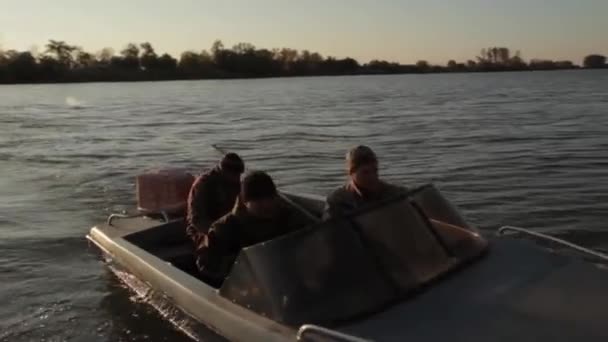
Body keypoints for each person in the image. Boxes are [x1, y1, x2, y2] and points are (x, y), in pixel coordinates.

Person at [196, 171, 312, 287]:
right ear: (245, 202)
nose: (266, 204)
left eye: (270, 198)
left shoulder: (289, 217)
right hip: (246, 290)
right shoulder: (224, 228)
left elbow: (310, 238)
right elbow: (206, 265)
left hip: (286, 283)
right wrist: (239, 267)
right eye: (258, 201)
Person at [324, 145, 408, 219]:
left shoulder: (393, 193)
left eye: (375, 171)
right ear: (351, 172)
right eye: (365, 172)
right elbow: (330, 232)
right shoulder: (338, 200)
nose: (372, 177)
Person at [186, 153, 245, 249]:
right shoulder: (204, 184)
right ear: (225, 171)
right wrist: (216, 232)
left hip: (227, 226)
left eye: (239, 174)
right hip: (202, 229)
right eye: (235, 174)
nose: (238, 178)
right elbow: (197, 220)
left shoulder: (236, 184)